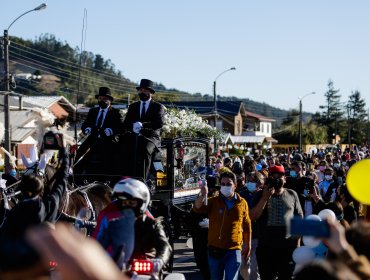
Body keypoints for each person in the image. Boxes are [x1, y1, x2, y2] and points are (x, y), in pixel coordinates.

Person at [93, 178, 172, 275]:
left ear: (141, 203)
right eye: (124, 203)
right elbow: (98, 246)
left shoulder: (152, 225)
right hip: (118, 271)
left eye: (131, 203)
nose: (127, 207)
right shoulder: (113, 224)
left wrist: (158, 261)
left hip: (145, 271)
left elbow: (165, 247)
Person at [0, 133, 69, 239]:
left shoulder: (14, 213)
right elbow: (63, 177)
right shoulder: (51, 204)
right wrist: (63, 150)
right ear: (41, 187)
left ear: (22, 187)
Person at [194, 171, 252, 280]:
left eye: (229, 184)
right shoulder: (214, 201)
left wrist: (248, 245)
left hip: (234, 250)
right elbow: (197, 207)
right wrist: (202, 194)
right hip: (215, 249)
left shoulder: (242, 202)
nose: (225, 186)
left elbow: (247, 224)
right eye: (223, 184)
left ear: (235, 185)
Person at [251, 165, 303, 280]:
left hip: (287, 249)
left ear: (285, 178)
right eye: (273, 176)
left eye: (279, 176)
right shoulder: (260, 194)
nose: (276, 179)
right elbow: (252, 216)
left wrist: (297, 245)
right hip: (266, 249)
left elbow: (299, 218)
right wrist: (265, 198)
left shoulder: (292, 194)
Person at [77, 86, 125, 182]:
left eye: (104, 99)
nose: (101, 100)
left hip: (108, 140)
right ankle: (76, 177)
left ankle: (105, 179)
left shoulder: (115, 112)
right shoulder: (93, 111)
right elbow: (85, 124)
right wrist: (87, 129)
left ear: (110, 100)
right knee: (79, 152)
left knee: (107, 156)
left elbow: (120, 127)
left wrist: (111, 131)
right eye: (100, 98)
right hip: (92, 139)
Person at [122, 79, 165, 180]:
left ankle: (143, 180)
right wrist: (133, 126)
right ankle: (125, 179)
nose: (142, 92)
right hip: (135, 136)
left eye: (145, 90)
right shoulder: (133, 106)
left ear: (150, 92)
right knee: (122, 147)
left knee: (145, 149)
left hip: (152, 137)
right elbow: (126, 123)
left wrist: (143, 125)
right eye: (141, 90)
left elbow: (159, 123)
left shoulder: (158, 107)